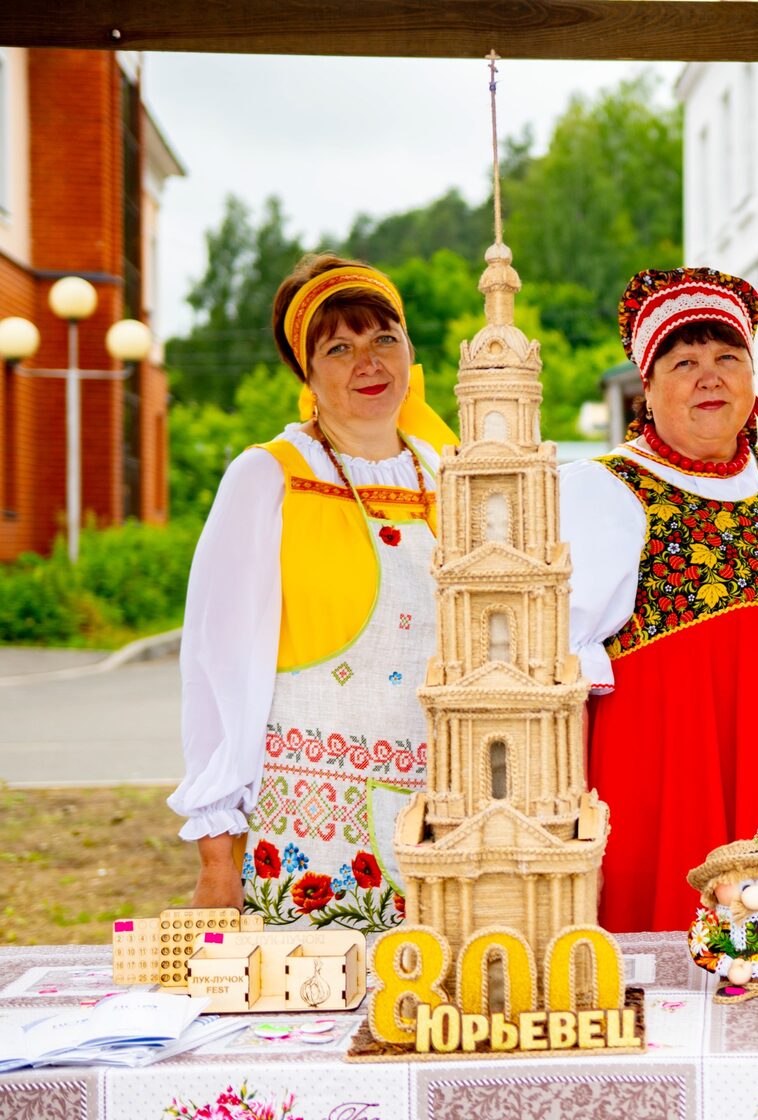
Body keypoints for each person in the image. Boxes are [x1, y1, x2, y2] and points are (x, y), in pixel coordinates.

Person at [168, 254, 458, 931]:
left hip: (448, 815)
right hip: (311, 824)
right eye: (339, 348)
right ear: (307, 372)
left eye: (384, 338)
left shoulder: (450, 473)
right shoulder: (270, 476)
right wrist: (216, 856)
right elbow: (216, 666)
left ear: (409, 349)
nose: (370, 363)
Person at [560, 267, 758, 934]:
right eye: (684, 362)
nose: (709, 377)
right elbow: (560, 677)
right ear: (647, 388)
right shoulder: (601, 491)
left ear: (752, 376)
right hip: (669, 782)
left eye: (727, 358)